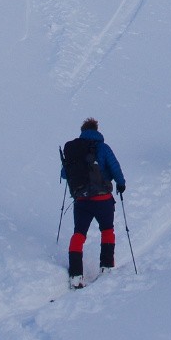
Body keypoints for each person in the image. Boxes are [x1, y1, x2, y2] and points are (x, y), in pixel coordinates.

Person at [60, 117, 126, 288]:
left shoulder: (75, 150)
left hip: (81, 200)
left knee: (79, 234)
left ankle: (76, 275)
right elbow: (115, 167)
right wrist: (121, 183)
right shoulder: (102, 147)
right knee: (107, 230)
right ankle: (106, 267)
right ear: (97, 130)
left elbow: (64, 174)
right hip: (103, 199)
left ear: (82, 131)